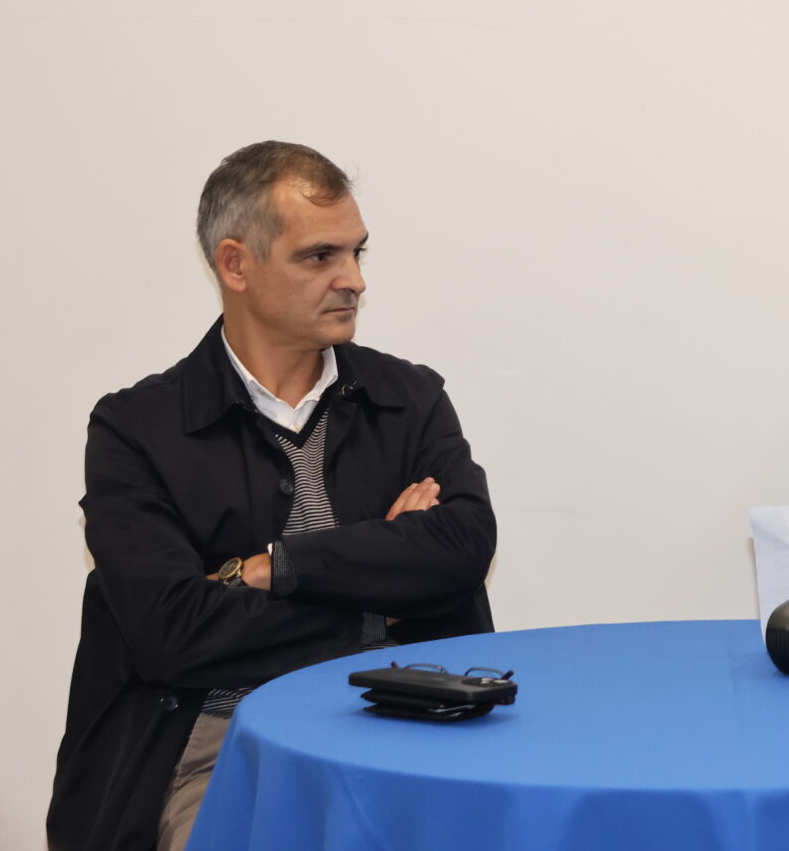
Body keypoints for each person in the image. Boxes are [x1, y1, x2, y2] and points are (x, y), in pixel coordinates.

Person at [49, 143, 498, 851]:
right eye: (320, 256)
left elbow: (463, 547)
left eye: (356, 252)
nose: (353, 280)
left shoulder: (408, 397)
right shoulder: (136, 429)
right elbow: (172, 634)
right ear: (235, 265)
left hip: (410, 728)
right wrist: (378, 600)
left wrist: (272, 568)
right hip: (224, 744)